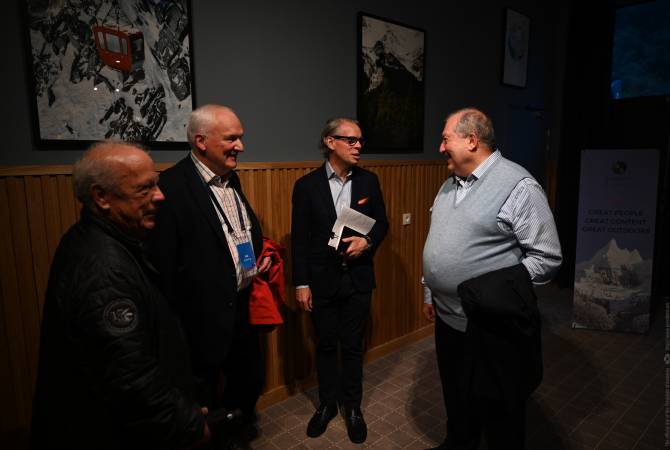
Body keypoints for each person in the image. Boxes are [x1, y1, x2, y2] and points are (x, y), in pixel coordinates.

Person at [30, 142, 209, 450]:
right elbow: (129, 376)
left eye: (156, 184)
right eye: (144, 189)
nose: (160, 196)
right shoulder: (103, 269)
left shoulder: (102, 239)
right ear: (101, 197)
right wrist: (187, 423)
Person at [422, 108, 562, 450]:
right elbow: (437, 244)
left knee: (501, 409)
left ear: (471, 140)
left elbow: (547, 257)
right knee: (456, 394)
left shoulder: (519, 186)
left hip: (492, 326)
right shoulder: (448, 185)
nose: (440, 148)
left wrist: (490, 291)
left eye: (445, 139)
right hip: (447, 318)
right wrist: (429, 292)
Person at [147, 104, 271, 449]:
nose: (240, 146)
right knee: (203, 394)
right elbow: (165, 266)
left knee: (248, 380)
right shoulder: (170, 187)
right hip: (200, 320)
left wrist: (254, 260)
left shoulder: (231, 178)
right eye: (231, 138)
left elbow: (235, 233)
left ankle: (236, 433)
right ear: (201, 141)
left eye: (240, 138)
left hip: (242, 305)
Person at [291, 117, 389, 444]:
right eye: (351, 140)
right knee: (324, 345)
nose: (359, 146)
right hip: (322, 281)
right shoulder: (306, 186)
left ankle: (353, 407)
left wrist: (367, 241)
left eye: (360, 141)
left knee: (352, 347)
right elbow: (300, 241)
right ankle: (327, 405)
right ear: (330, 142)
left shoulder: (369, 182)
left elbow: (382, 224)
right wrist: (301, 284)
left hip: (358, 280)